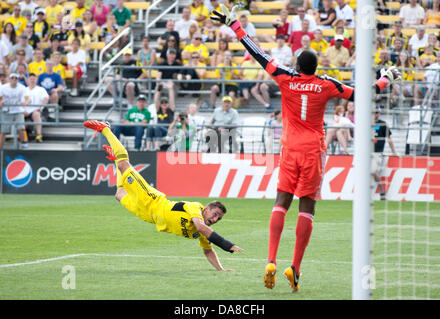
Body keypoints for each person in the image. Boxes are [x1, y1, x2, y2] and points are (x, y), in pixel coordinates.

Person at [210, 4, 400, 291]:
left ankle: (271, 259)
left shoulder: (285, 77)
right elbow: (364, 94)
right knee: (307, 207)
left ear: (297, 66)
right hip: (313, 150)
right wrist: (387, 78)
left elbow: (257, 53)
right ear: (316, 68)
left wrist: (234, 24)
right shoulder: (326, 84)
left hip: (289, 149)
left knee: (281, 202)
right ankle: (295, 267)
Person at [83, 119, 243, 270]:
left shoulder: (202, 232)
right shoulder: (195, 209)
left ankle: (114, 159)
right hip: (152, 200)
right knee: (124, 164)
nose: (215, 220)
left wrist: (221, 269)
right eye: (214, 214)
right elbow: (201, 226)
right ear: (206, 208)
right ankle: (105, 129)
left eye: (218, 219)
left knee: (119, 193)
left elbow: (208, 251)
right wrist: (227, 245)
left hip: (148, 215)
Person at [372, 106, 398, 200]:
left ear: (379, 113)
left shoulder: (383, 124)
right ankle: (381, 191)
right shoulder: (366, 123)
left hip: (377, 153)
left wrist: (394, 152)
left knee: (372, 171)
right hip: (366, 153)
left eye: (377, 112)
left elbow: (389, 139)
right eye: (373, 112)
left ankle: (382, 190)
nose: (375, 114)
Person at [0, 73, 31, 149]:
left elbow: (28, 98)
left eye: (16, 78)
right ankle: (0, 148)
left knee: (21, 128)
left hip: (18, 110)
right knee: (4, 131)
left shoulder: (22, 87)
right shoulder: (3, 88)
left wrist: (26, 103)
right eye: (12, 78)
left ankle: (23, 143)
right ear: (9, 79)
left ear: (17, 80)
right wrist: (1, 102)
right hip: (6, 110)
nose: (14, 79)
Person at [24, 73, 48, 143]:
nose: (32, 80)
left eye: (34, 79)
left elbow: (45, 98)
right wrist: (22, 110)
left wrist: (40, 107)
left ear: (36, 80)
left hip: (36, 109)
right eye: (31, 79)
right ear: (28, 80)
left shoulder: (41, 89)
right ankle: (21, 137)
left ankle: (39, 135)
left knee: (36, 114)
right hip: (25, 111)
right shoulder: (24, 90)